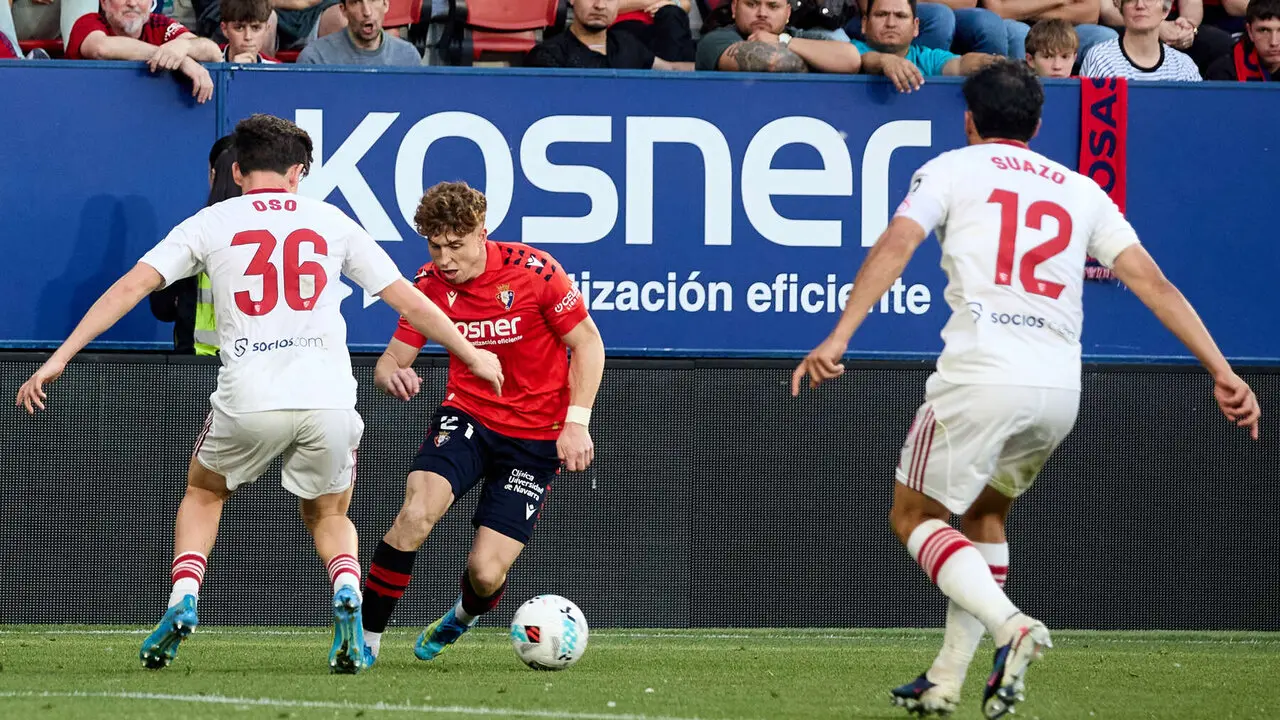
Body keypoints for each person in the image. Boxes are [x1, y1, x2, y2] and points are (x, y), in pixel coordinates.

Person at [790, 60, 1259, 718]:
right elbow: (1153, 281)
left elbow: (898, 241)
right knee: (984, 516)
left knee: (914, 516)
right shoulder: (1081, 189)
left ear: (969, 120)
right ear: (1038, 126)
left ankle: (1012, 625)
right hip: (1058, 388)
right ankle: (947, 678)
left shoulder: (952, 167)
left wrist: (840, 336)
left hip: (983, 374)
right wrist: (1221, 369)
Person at [15, 114, 504, 675]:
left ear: (239, 170)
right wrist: (469, 353)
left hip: (249, 395)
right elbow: (411, 303)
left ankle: (183, 598)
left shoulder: (209, 222)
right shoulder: (331, 220)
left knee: (204, 492)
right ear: (298, 172)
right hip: (328, 400)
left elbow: (132, 286)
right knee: (327, 512)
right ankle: (346, 585)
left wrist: (57, 360)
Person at [358, 181, 605, 666]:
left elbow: (589, 344)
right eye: (435, 245)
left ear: (482, 233)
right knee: (416, 512)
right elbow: (389, 361)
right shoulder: (429, 284)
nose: (445, 258)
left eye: (456, 244)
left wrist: (576, 423)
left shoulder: (535, 272)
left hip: (535, 437)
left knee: (486, 574)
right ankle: (363, 644)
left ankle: (462, 616)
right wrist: (391, 375)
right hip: (467, 415)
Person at [149, 135, 236, 356]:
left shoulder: (195, 231)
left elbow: (162, 308)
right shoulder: (269, 233)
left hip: (193, 366)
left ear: (213, 174)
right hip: (248, 364)